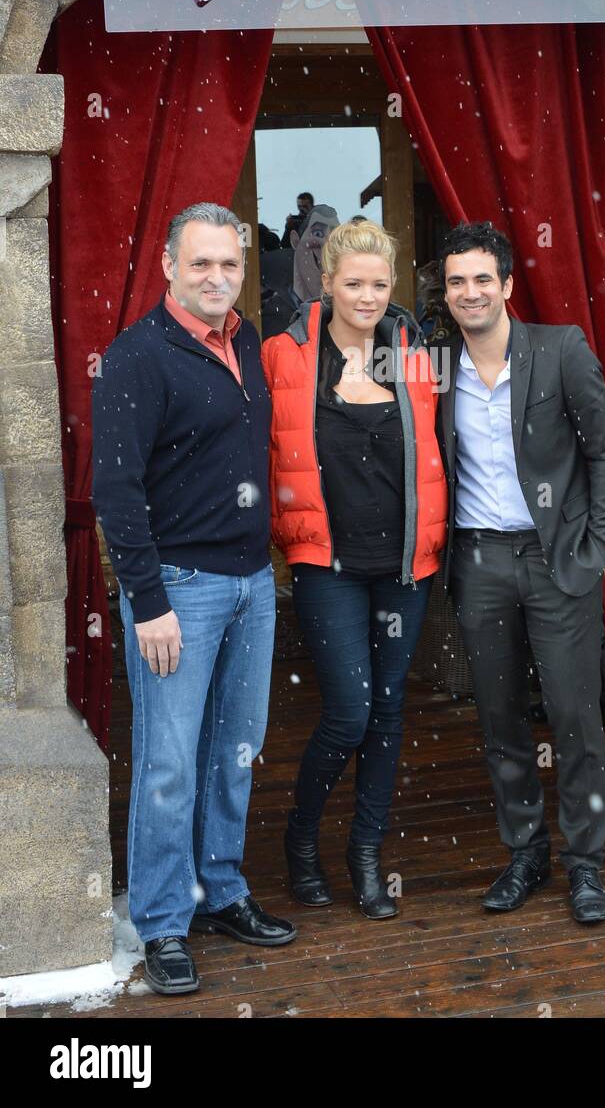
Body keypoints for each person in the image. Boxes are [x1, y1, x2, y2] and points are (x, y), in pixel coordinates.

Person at [92, 202, 296, 997]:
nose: (217, 278)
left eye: (230, 264)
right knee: (169, 765)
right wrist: (146, 602)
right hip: (177, 587)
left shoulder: (243, 339)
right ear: (170, 267)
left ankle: (220, 889)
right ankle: (164, 920)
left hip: (251, 583)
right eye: (201, 264)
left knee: (234, 751)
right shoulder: (138, 355)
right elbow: (116, 488)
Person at [435, 221, 605, 924]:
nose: (470, 292)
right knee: (500, 718)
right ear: (445, 291)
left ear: (507, 284)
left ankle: (584, 864)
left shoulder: (559, 349)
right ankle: (524, 853)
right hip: (478, 560)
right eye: (456, 280)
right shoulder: (435, 366)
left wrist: (596, 549)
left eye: (482, 278)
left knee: (576, 717)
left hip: (557, 562)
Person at [261, 220, 448, 919]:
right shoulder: (285, 354)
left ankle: (365, 853)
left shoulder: (414, 355)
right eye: (353, 283)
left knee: (389, 711)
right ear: (327, 282)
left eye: (379, 284)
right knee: (347, 711)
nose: (366, 296)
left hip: (404, 565)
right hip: (326, 562)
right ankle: (301, 839)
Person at [261, 203, 339, 339]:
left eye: (335, 237)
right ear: (295, 240)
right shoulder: (273, 312)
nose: (327, 243)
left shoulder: (342, 312)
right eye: (318, 233)